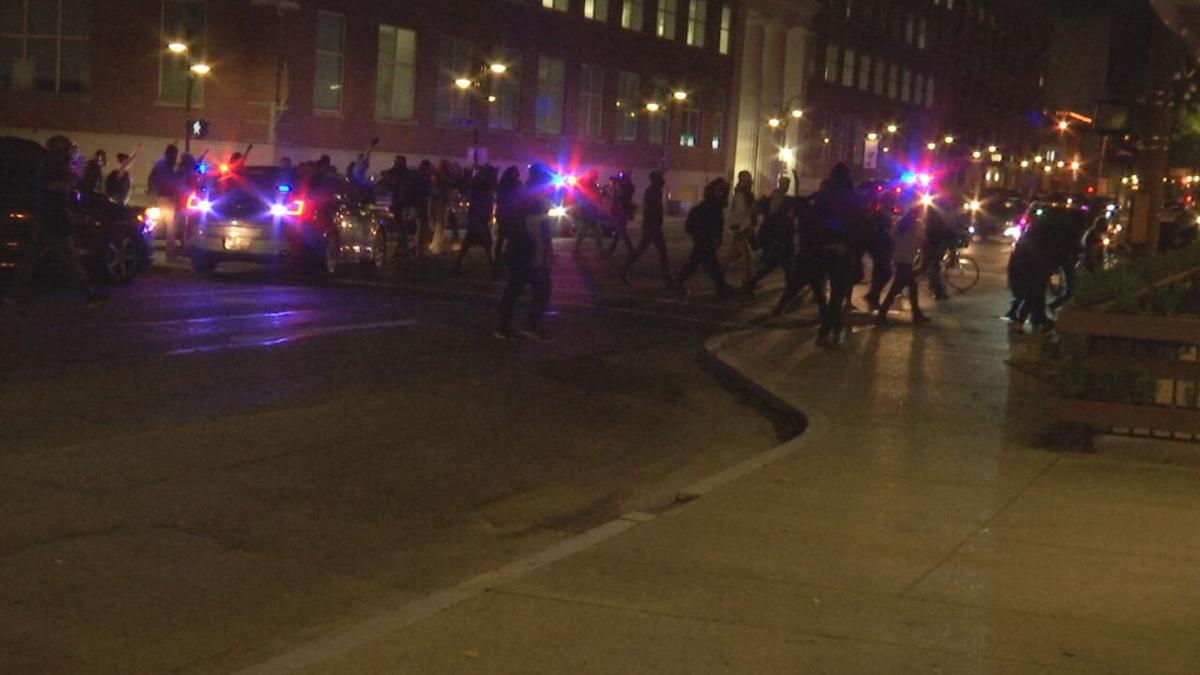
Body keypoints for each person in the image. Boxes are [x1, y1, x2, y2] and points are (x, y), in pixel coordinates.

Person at [6, 136, 104, 307]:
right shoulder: (52, 165)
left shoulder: (51, 163)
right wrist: (71, 179)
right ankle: (89, 293)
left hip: (48, 216)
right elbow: (53, 186)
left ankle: (14, 293)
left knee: (33, 257)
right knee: (70, 257)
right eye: (67, 148)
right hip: (54, 217)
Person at [496, 163, 554, 341]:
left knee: (520, 287)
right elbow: (532, 222)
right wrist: (539, 250)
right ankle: (520, 326)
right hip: (524, 247)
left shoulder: (529, 191)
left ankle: (509, 326)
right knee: (531, 286)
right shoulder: (533, 194)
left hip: (520, 246)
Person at [809, 163, 863, 346]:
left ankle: (831, 326)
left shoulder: (824, 197)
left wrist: (824, 239)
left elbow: (816, 221)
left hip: (822, 248)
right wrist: (844, 242)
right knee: (838, 292)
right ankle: (827, 328)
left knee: (824, 290)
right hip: (842, 249)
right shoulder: (852, 198)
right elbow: (856, 224)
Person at [675, 178, 733, 296]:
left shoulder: (710, 205)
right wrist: (714, 237)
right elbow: (712, 224)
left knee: (705, 263)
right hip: (705, 238)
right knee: (703, 262)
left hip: (704, 238)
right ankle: (720, 286)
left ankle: (720, 285)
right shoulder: (710, 207)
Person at [877, 204, 930, 325]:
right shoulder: (917, 226)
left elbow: (891, 238)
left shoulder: (900, 224)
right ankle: (884, 313)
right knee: (899, 288)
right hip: (906, 261)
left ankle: (915, 314)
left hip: (899, 259)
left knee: (907, 286)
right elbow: (923, 241)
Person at [621, 170, 672, 287]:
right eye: (660, 179)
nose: (662, 181)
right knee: (657, 252)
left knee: (647, 251)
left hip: (653, 226)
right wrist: (653, 224)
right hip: (652, 226)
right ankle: (667, 278)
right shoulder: (652, 191)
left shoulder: (655, 190)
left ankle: (667, 278)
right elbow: (652, 210)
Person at [456, 165, 498, 275]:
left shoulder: (483, 186)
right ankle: (492, 267)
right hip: (478, 217)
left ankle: (458, 263)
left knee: (469, 241)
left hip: (479, 216)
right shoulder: (482, 186)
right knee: (485, 241)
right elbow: (479, 202)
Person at [724, 170, 758, 287]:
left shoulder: (744, 195)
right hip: (740, 230)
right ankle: (749, 280)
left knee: (732, 256)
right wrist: (743, 227)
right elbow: (740, 213)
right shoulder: (741, 195)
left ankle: (720, 276)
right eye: (748, 182)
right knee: (747, 257)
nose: (750, 184)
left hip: (740, 228)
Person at [147, 144, 182, 258]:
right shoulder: (169, 166)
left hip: (160, 196)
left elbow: (151, 178)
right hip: (168, 197)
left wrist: (152, 190)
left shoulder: (159, 165)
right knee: (170, 224)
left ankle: (147, 243)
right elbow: (174, 181)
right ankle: (170, 249)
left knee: (157, 223)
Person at [863, 191, 896, 311]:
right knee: (885, 272)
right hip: (881, 246)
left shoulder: (880, 213)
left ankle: (874, 295)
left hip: (879, 246)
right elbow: (879, 231)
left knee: (879, 272)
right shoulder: (881, 214)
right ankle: (873, 294)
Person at [494, 166, 523, 270]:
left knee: (506, 238)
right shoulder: (510, 184)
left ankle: (503, 257)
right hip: (508, 213)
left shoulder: (505, 184)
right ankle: (502, 258)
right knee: (505, 237)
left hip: (508, 213)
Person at [572, 169, 606, 255]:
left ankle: (577, 248)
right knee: (591, 230)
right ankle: (599, 249)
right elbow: (594, 197)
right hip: (589, 211)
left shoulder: (587, 184)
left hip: (589, 210)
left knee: (589, 230)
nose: (597, 177)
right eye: (596, 175)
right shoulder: (591, 185)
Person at [607, 171, 636, 256]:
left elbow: (619, 197)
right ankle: (612, 248)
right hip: (622, 210)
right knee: (620, 230)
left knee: (621, 231)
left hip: (621, 210)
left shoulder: (626, 187)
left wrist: (614, 191)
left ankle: (630, 249)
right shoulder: (628, 186)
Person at [409, 160, 434, 260]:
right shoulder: (424, 178)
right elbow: (427, 191)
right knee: (422, 228)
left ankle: (416, 247)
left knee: (421, 228)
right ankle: (419, 250)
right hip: (421, 205)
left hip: (418, 205)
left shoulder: (416, 177)